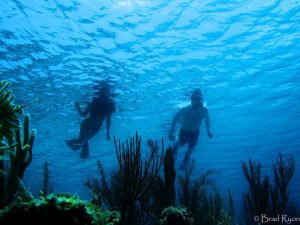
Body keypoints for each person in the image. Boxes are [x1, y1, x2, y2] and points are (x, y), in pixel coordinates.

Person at [66, 82, 116, 159]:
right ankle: (74, 147)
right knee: (83, 141)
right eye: (107, 92)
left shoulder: (94, 102)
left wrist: (77, 107)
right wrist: (108, 133)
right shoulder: (110, 104)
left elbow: (83, 114)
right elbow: (108, 120)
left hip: (88, 123)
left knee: (82, 141)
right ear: (108, 93)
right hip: (96, 126)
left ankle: (72, 146)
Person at [168, 89, 213, 170]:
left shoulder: (204, 110)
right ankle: (173, 152)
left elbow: (207, 121)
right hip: (184, 131)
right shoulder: (185, 109)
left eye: (199, 99)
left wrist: (208, 131)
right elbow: (175, 118)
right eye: (196, 99)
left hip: (195, 133)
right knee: (179, 144)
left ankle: (185, 160)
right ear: (191, 101)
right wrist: (171, 132)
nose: (198, 101)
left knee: (191, 148)